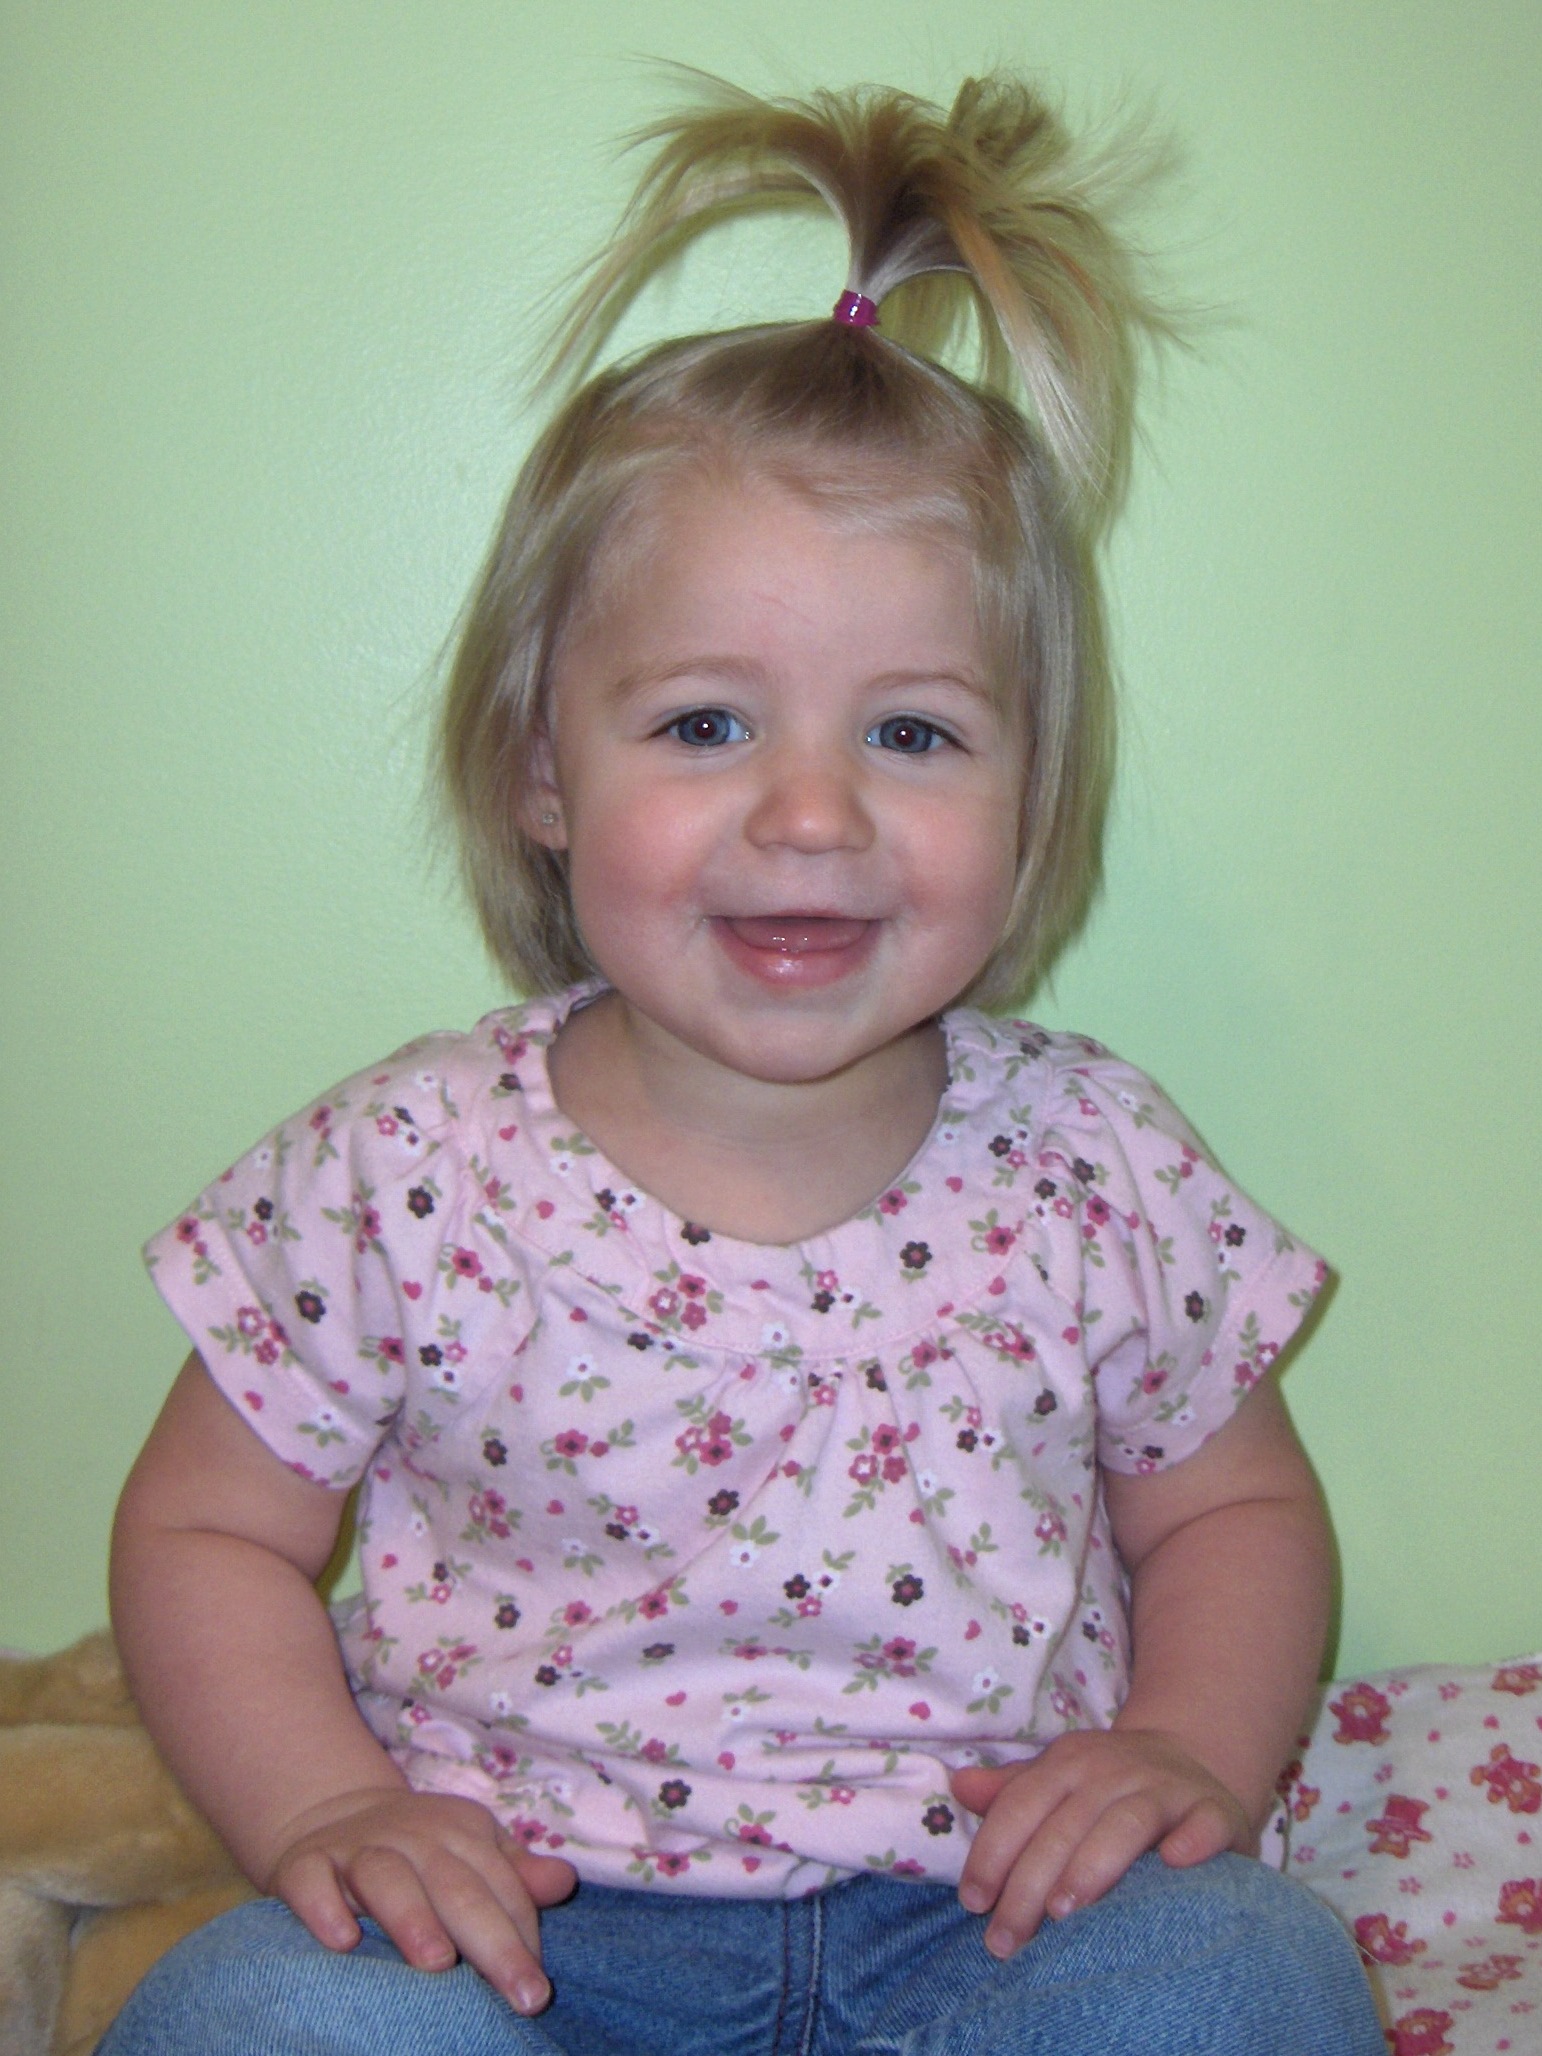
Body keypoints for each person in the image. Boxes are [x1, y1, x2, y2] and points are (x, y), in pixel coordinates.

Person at [101, 73, 1385, 2056]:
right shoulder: (402, 1167)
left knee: (1249, 1968)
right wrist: (328, 1808)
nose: (808, 815)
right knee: (257, 2011)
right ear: (543, 772)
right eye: (704, 724)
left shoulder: (1095, 1163)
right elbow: (205, 1531)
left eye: (913, 734)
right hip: (523, 1936)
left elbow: (1231, 1512)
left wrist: (1180, 1753)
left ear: (1031, 800)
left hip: (989, 1921)